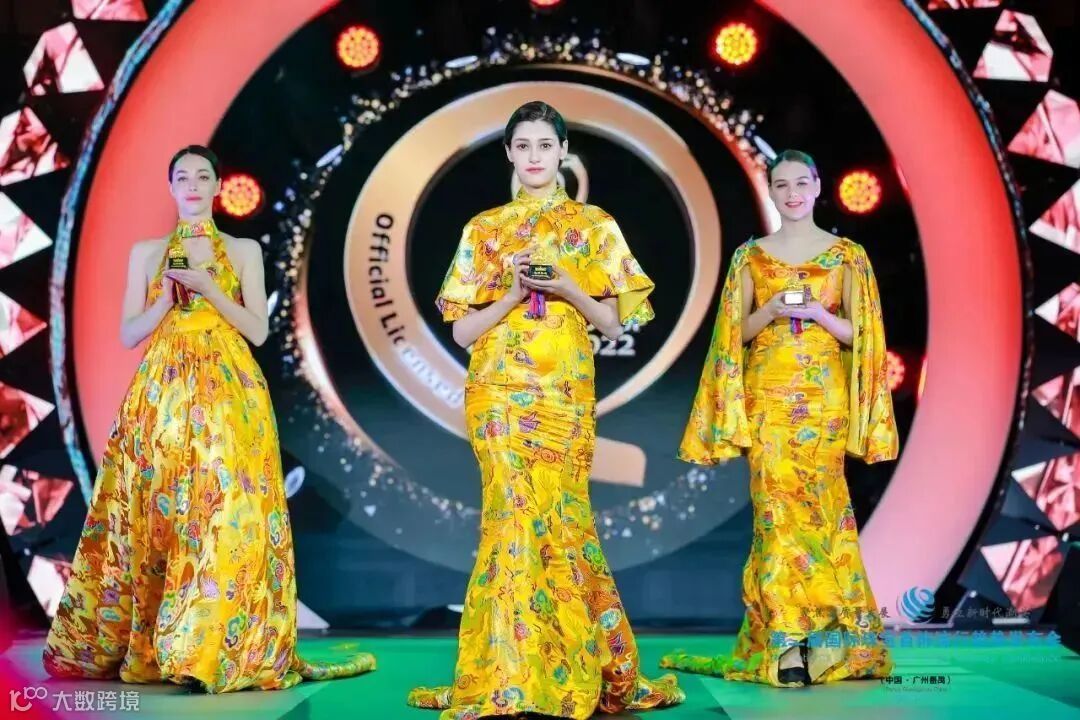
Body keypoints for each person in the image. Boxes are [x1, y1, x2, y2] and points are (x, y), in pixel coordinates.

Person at [42, 145, 375, 692]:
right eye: (183, 177)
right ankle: (161, 644)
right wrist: (168, 300)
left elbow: (258, 330)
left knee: (224, 511)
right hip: (164, 394)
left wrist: (210, 289)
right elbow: (128, 333)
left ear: (218, 186)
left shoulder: (242, 250)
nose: (193, 185)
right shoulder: (148, 253)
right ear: (171, 187)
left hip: (228, 390)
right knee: (162, 513)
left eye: (203, 176)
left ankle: (206, 649)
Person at [407, 102, 684, 718]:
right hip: (498, 393)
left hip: (563, 394)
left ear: (563, 152)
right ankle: (512, 680)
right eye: (523, 146)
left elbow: (614, 323)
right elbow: (461, 332)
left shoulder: (594, 226)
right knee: (509, 519)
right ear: (509, 153)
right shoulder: (484, 229)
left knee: (561, 520)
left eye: (544, 145)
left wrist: (567, 287)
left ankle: (565, 670)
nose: (534, 156)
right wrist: (511, 293)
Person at [662, 150, 898, 687]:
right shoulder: (751, 257)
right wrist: (768, 312)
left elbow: (864, 334)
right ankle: (787, 644)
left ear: (817, 187)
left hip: (824, 403)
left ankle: (829, 642)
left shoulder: (847, 256)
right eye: (781, 185)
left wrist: (818, 314)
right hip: (768, 400)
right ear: (770, 191)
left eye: (800, 183)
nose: (792, 194)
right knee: (776, 516)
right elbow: (733, 335)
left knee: (823, 514)